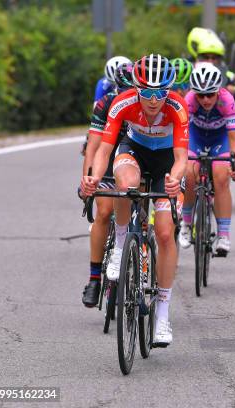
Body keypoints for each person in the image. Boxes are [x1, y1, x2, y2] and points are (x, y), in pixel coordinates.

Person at [82, 54, 188, 347]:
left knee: (166, 233)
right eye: (147, 92)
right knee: (126, 184)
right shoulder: (122, 103)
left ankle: (162, 316)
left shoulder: (178, 107)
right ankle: (118, 246)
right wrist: (93, 176)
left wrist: (176, 177)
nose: (154, 100)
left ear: (168, 90)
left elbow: (182, 158)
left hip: (166, 161)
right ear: (135, 87)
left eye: (160, 93)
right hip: (134, 151)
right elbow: (104, 149)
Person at [81, 62, 134, 307]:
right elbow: (93, 147)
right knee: (103, 211)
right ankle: (94, 279)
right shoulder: (106, 104)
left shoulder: (145, 105)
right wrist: (88, 181)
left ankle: (141, 276)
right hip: (108, 154)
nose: (127, 96)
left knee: (141, 214)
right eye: (122, 90)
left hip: (136, 156)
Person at [178, 62, 235, 255]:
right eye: (201, 95)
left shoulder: (226, 100)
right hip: (196, 138)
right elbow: (181, 134)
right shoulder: (188, 100)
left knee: (221, 176)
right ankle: (186, 225)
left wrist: (234, 161)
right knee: (188, 173)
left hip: (219, 139)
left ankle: (223, 234)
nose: (205, 100)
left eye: (210, 94)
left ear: (218, 91)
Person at [186, 27, 235, 92]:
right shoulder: (190, 68)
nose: (210, 60)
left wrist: (234, 82)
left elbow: (232, 77)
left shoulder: (223, 70)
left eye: (214, 58)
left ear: (219, 59)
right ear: (199, 57)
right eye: (206, 57)